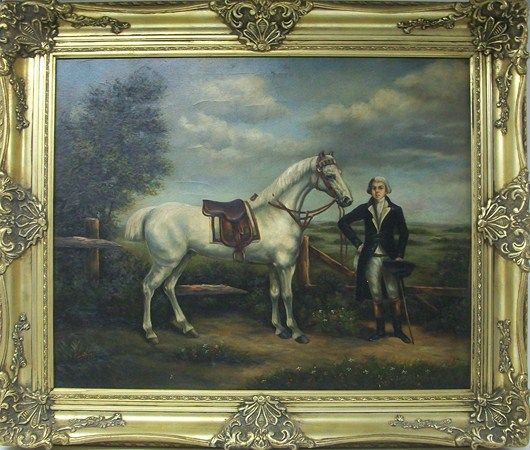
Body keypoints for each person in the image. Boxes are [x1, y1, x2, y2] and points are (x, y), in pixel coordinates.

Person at [338, 176, 411, 343]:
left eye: (380, 187)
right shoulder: (365, 209)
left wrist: (399, 255)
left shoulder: (395, 210)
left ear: (386, 190)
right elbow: (342, 223)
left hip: (390, 259)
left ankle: (398, 331)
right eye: (374, 188)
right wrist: (358, 243)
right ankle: (379, 331)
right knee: (376, 295)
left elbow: (404, 233)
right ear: (370, 190)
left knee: (394, 294)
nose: (377, 191)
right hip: (370, 259)